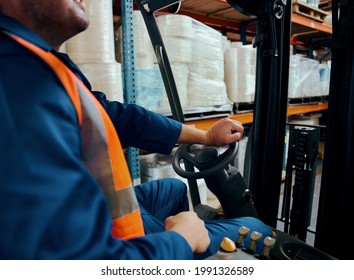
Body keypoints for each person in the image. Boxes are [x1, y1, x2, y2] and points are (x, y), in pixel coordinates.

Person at [0, 0, 272, 260]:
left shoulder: (40, 64)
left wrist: (206, 137)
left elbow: (123, 118)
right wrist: (181, 241)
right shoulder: (19, 81)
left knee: (174, 189)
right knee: (255, 227)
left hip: (106, 209)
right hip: (113, 238)